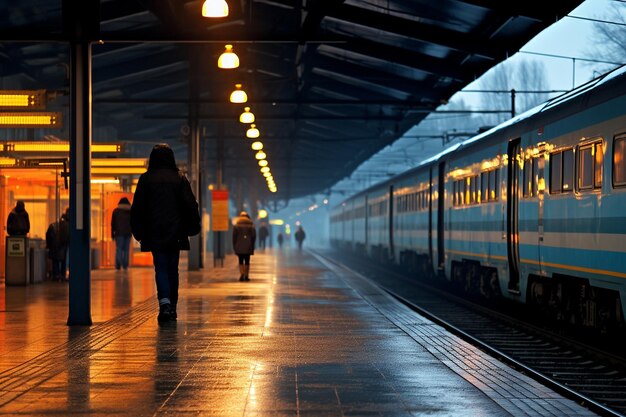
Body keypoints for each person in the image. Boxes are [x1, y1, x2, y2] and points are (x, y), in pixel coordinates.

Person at [131, 144, 200, 323]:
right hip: (175, 232)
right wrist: (193, 226)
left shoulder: (146, 179)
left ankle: (165, 304)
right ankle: (173, 306)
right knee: (172, 269)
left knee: (160, 267)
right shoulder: (179, 179)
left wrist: (138, 231)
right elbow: (190, 205)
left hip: (154, 232)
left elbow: (137, 207)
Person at [46, 208, 70, 281]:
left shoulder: (55, 225)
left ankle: (56, 276)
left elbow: (48, 236)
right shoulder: (68, 225)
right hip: (63, 246)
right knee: (63, 261)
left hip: (55, 246)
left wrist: (49, 246)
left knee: (56, 261)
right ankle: (62, 276)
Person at [232, 211, 256, 282]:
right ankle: (246, 275)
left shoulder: (237, 225)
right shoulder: (251, 225)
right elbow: (253, 236)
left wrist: (235, 246)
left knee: (240, 260)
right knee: (247, 261)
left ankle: (242, 274)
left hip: (239, 246)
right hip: (248, 246)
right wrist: (252, 245)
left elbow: (234, 237)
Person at [111, 197, 132, 270]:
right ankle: (125, 266)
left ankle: (118, 265)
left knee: (119, 249)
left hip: (119, 233)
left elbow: (113, 224)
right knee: (126, 250)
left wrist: (112, 234)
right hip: (128, 233)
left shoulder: (116, 211)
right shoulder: (130, 211)